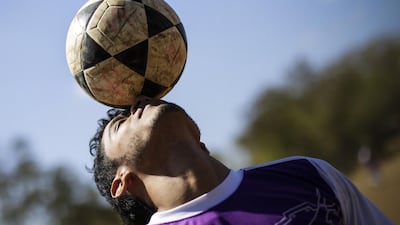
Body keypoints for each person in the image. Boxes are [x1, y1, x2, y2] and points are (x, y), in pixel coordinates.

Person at [89, 96, 394, 225]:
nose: (138, 103)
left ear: (201, 144)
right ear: (122, 182)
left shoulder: (309, 174)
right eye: (121, 124)